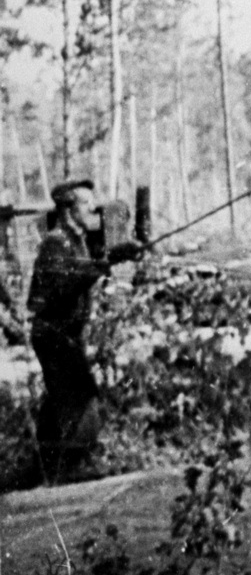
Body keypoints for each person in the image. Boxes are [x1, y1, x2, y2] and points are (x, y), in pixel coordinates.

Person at [27, 179, 140, 482]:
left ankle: (45, 467)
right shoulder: (55, 242)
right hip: (54, 334)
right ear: (66, 208)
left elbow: (84, 270)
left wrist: (119, 255)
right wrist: (103, 264)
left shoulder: (74, 240)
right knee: (80, 396)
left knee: (61, 398)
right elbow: (62, 286)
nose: (92, 208)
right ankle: (74, 468)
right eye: (85, 203)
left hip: (63, 334)